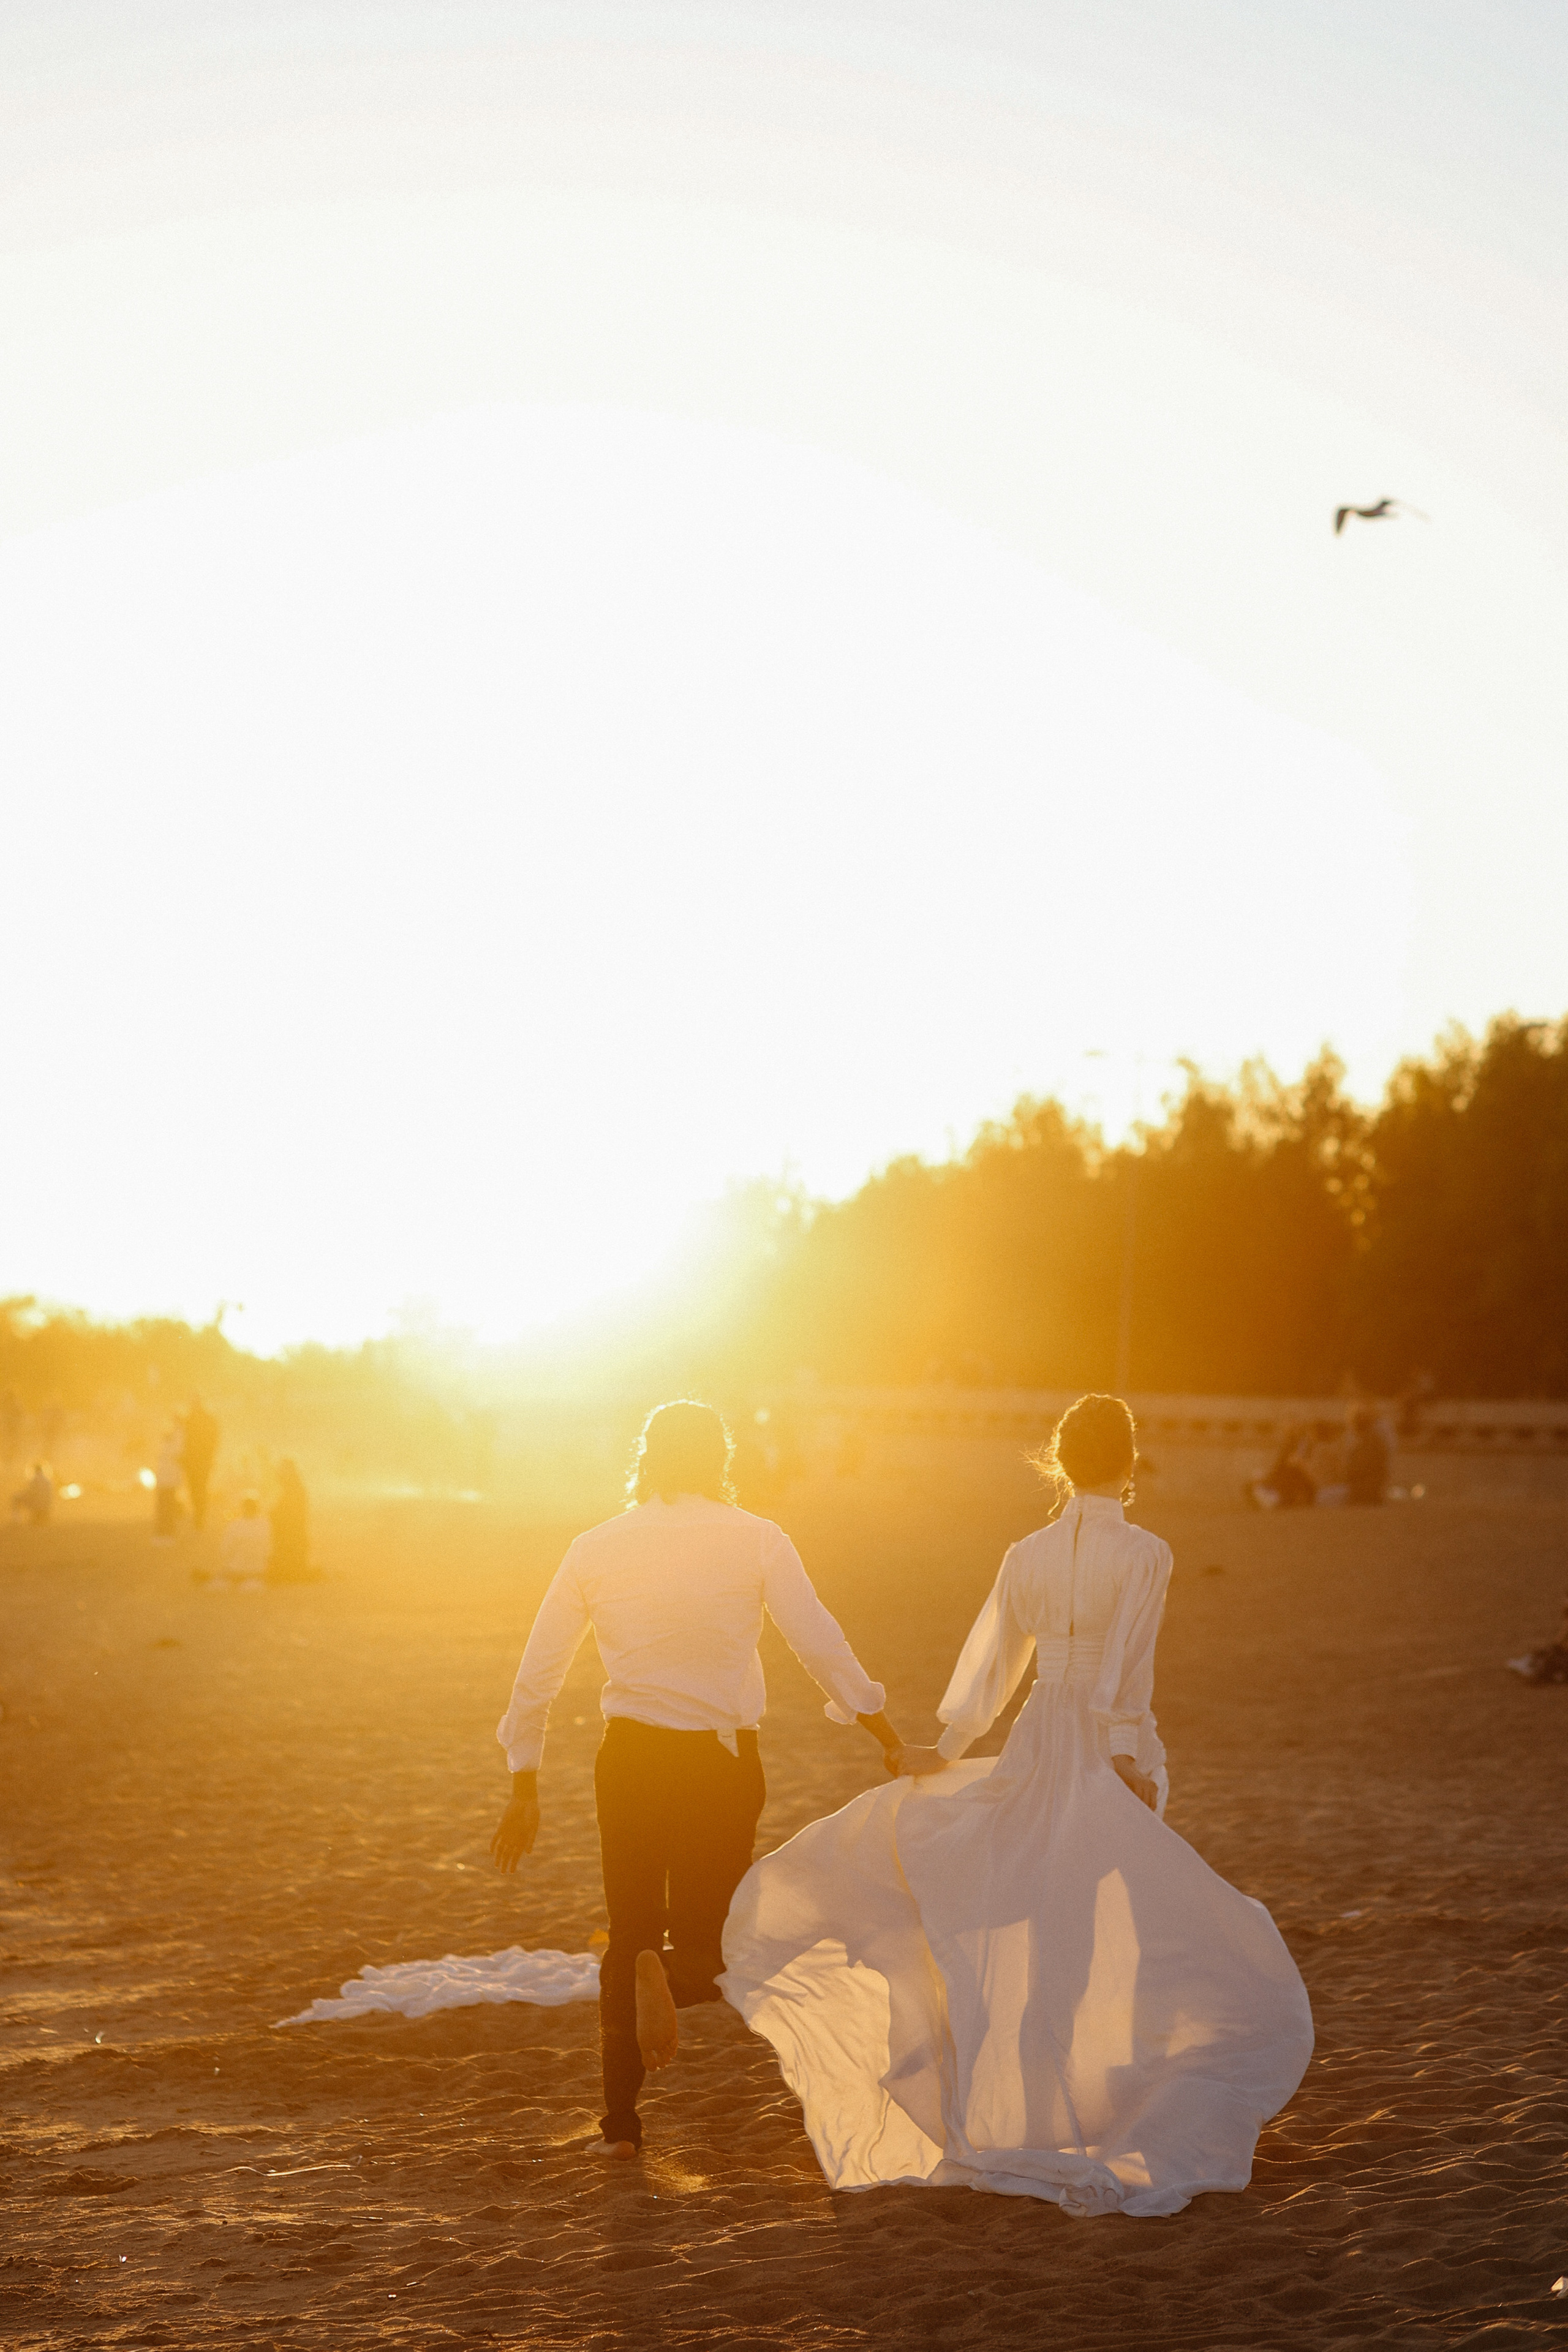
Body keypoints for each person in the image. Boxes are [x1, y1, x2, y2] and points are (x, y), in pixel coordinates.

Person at [720, 1393, 1314, 2218]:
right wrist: (1124, 1758)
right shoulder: (1145, 1553)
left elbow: (993, 1667)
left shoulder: (1026, 1553)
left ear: (1062, 1461)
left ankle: (1035, 2108)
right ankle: (1094, 2102)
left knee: (1045, 1921)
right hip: (1100, 1745)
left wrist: (950, 1748)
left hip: (1039, 1736)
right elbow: (1126, 1672)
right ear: (1130, 1460)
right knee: (1128, 1923)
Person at [490, 1398, 905, 2163]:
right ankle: (676, 1975)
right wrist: (881, 1731)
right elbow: (819, 1641)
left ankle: (620, 2126)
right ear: (719, 1459)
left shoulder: (595, 1546)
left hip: (628, 1759)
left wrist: (525, 1779)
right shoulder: (756, 1540)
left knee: (629, 1928)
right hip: (719, 1760)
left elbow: (538, 1670)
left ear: (645, 1457)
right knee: (715, 1947)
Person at [1248, 1423, 1316, 1509]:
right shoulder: (1287, 1447)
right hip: (1281, 1481)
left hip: (1287, 1480)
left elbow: (1293, 1462)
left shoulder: (1299, 1444)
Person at [267, 1459, 311, 1582]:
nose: (278, 1474)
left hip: (292, 1534)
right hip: (293, 1534)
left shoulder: (294, 1489)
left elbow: (288, 1512)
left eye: (282, 1471)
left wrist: (272, 1514)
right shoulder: (292, 1488)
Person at [216, 1494, 270, 1588]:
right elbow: (269, 1549)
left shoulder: (234, 1525)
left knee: (221, 1582)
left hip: (237, 1567)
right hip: (259, 1568)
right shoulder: (266, 1524)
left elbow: (225, 1549)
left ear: (243, 1508)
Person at [182, 1398, 220, 1531]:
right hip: (201, 1463)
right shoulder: (208, 1420)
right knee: (200, 1489)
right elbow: (215, 1441)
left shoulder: (189, 1420)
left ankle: (199, 1516)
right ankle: (199, 1516)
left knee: (196, 1489)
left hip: (195, 1463)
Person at [1345, 1408, 1390, 1506]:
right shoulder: (1371, 1441)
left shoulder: (1371, 1443)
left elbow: (1363, 1469)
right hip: (1367, 1489)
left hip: (1366, 1489)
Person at [153, 1423, 184, 1542]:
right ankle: (168, 1533)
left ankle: (162, 1533)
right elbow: (180, 1441)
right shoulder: (173, 1450)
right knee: (169, 1509)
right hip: (169, 1484)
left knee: (162, 1509)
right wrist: (179, 1426)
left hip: (162, 1483)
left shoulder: (163, 1448)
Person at [11, 1461, 53, 1526]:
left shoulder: (34, 1479)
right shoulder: (47, 1480)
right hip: (47, 1504)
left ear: (35, 1470)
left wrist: (22, 1494)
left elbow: (31, 1493)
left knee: (16, 1498)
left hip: (37, 1503)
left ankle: (17, 1520)